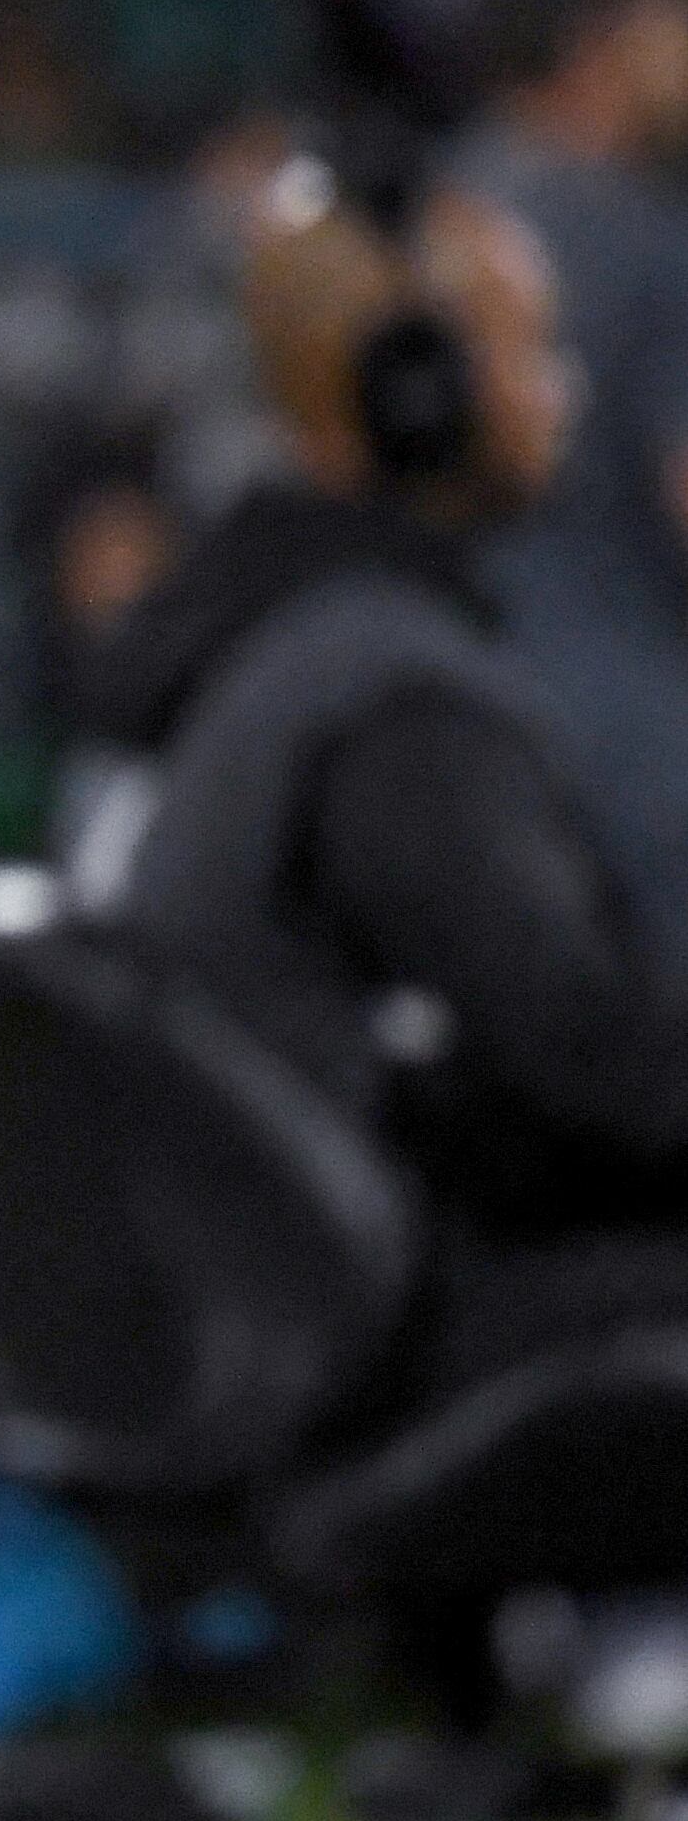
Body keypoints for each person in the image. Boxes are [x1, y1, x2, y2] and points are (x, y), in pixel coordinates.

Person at [85, 150, 688, 1382]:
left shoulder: (251, 636)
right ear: (420, 397)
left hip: (240, 1304)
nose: (562, 394)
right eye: (531, 351)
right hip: (359, 1332)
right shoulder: (384, 693)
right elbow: (590, 1062)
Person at [456, 0, 688, 946]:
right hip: (627, 729)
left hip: (444, 710)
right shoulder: (641, 235)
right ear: (598, 41)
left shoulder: (433, 209)